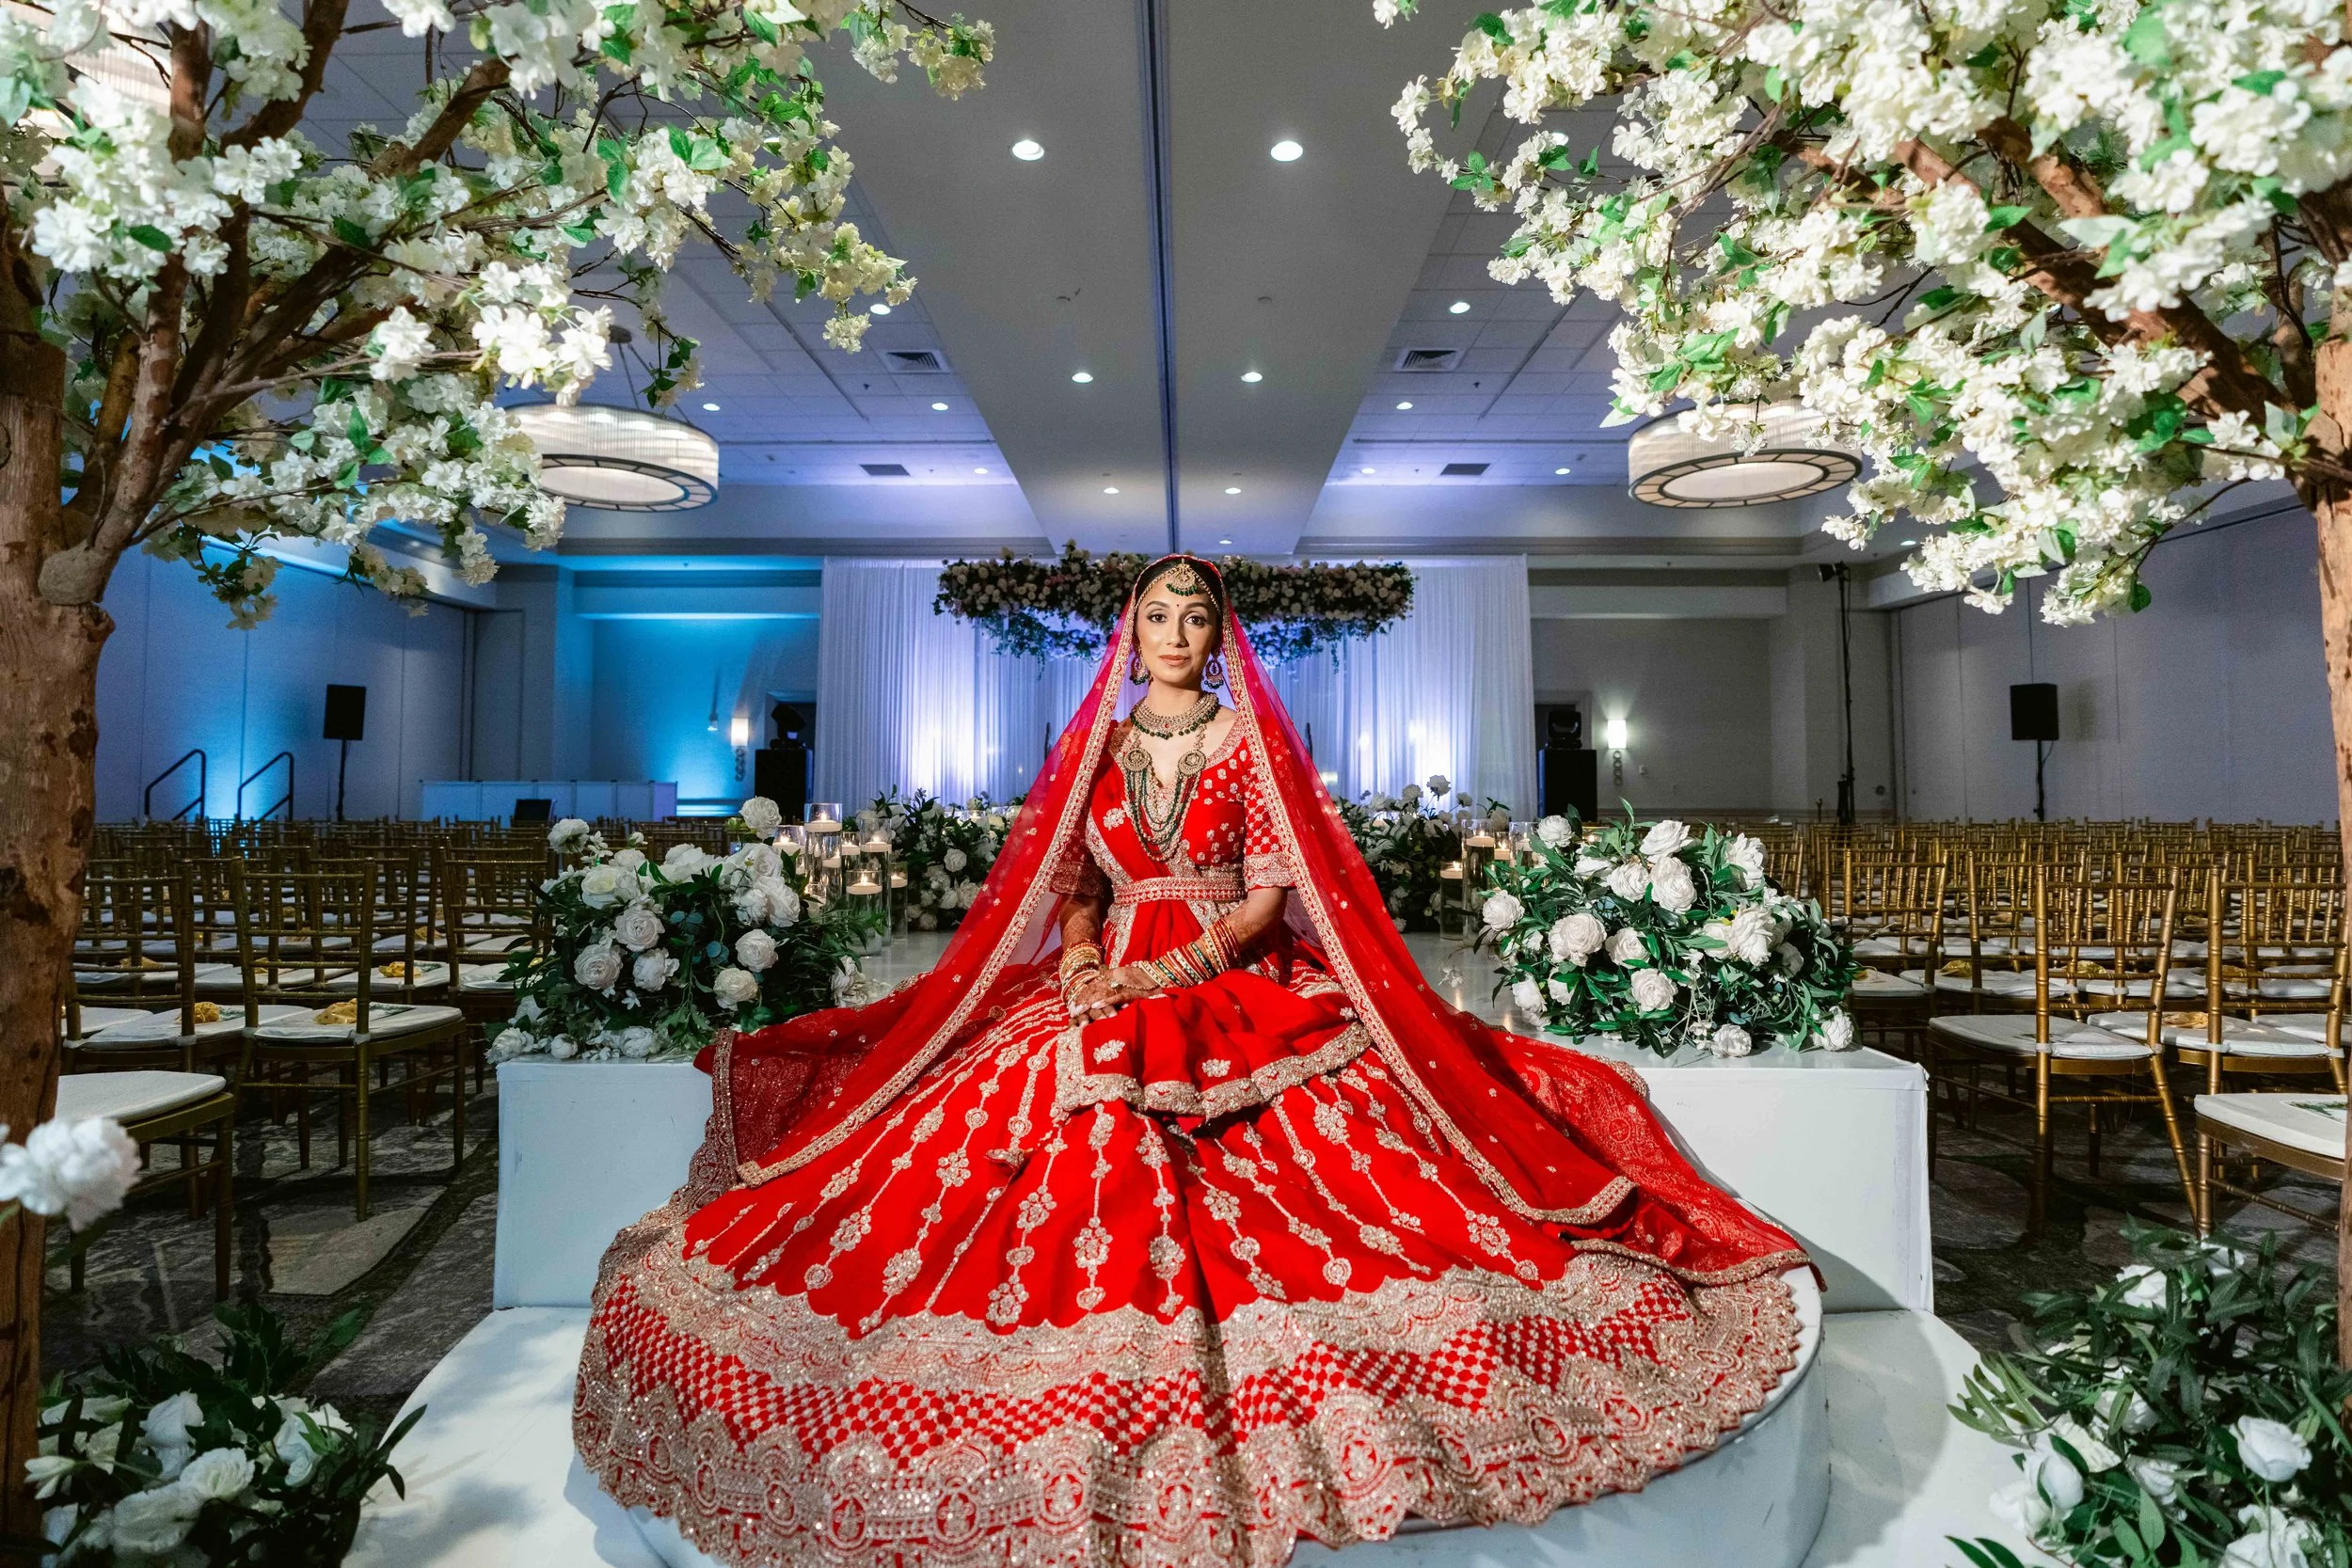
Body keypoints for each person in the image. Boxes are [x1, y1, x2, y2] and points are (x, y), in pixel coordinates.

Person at [575, 555, 1808, 1568]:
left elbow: (1273, 896)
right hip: (1102, 973)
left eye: (1196, 615)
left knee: (1345, 1151)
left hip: (1229, 977)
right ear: (1132, 629)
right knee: (984, 1129)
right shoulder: (1100, 749)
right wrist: (1074, 956)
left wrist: (1162, 971)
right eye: (1158, 613)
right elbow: (1069, 882)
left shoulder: (1247, 743)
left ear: (1220, 638)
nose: (1176, 630)